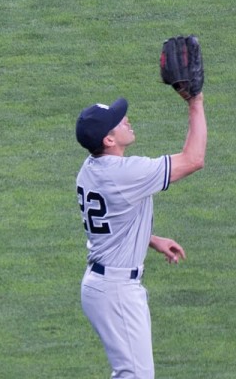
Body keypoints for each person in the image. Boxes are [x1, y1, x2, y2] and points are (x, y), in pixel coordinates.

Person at [75, 91, 207, 379]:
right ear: (108, 140)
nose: (126, 119)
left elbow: (115, 219)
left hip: (102, 285)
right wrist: (195, 103)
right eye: (117, 121)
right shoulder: (125, 173)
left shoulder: (89, 169)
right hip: (116, 290)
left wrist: (151, 239)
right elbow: (194, 159)